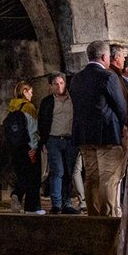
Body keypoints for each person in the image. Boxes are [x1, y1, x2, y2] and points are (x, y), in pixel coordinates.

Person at [71, 40, 128, 216]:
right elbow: (120, 106)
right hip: (107, 134)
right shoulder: (108, 76)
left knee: (91, 177)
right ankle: (108, 217)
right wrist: (125, 126)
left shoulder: (76, 78)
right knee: (108, 177)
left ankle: (93, 215)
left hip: (84, 136)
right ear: (105, 57)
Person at [38, 73, 81, 214]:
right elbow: (42, 122)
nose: (59, 86)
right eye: (56, 84)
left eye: (61, 83)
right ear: (51, 86)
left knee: (69, 172)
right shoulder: (47, 102)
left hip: (70, 140)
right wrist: (44, 141)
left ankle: (66, 203)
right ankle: (56, 204)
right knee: (57, 171)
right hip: (54, 140)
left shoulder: (74, 100)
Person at [5, 81, 44, 214]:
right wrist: (34, 147)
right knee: (33, 177)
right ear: (25, 91)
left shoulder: (12, 107)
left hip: (16, 148)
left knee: (22, 175)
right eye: (31, 92)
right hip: (28, 147)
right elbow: (32, 129)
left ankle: (17, 194)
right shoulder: (29, 107)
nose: (32, 95)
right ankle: (32, 208)